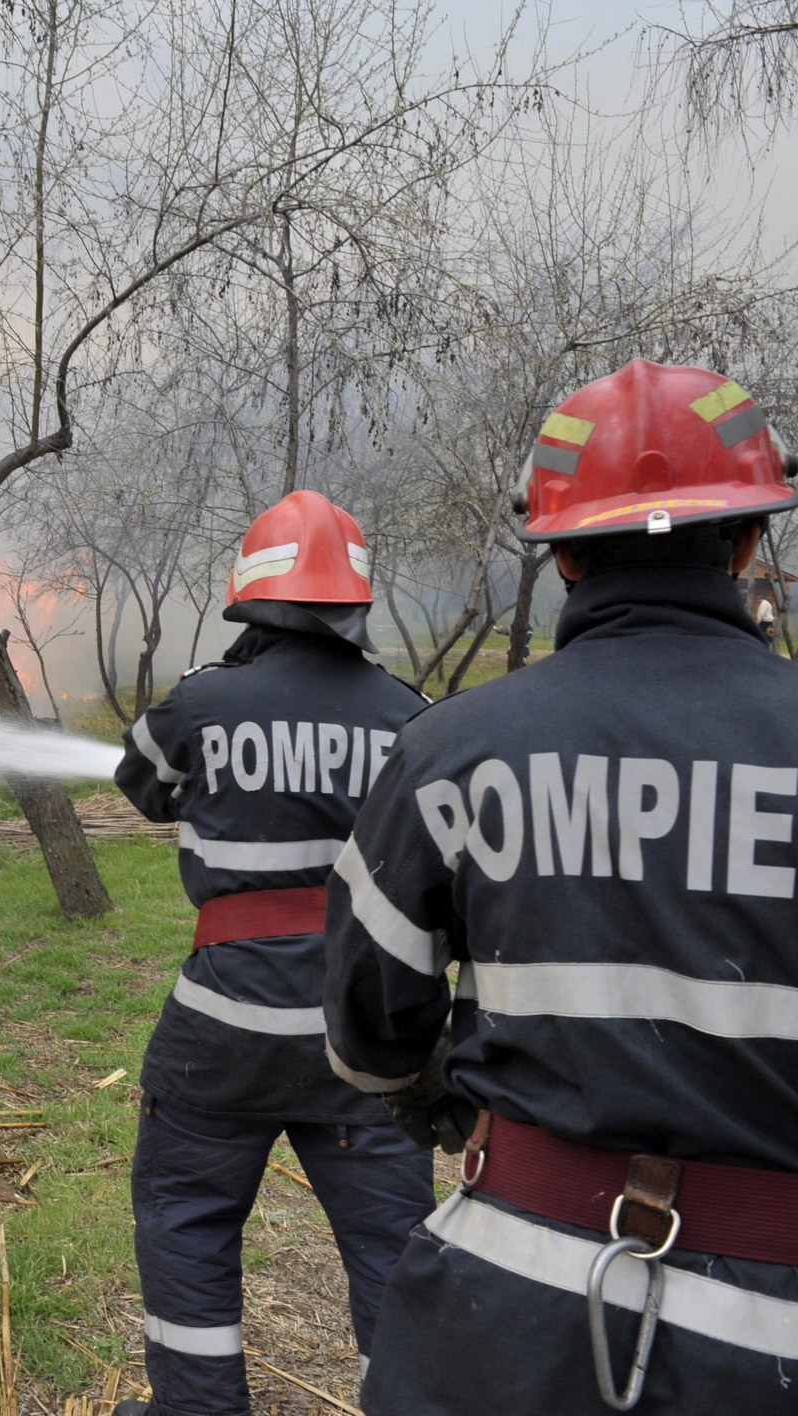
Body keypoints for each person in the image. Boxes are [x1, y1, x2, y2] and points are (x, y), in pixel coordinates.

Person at [323, 358, 798, 1414]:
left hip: (504, 1312)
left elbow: (367, 1029)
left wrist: (436, 1097)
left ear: (562, 554)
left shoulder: (450, 750)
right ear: (749, 542)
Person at [112, 490, 436, 1416]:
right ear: (356, 601)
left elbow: (142, 784)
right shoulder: (412, 719)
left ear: (250, 595)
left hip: (223, 1032)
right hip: (362, 1032)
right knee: (392, 1247)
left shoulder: (200, 703)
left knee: (187, 1220)